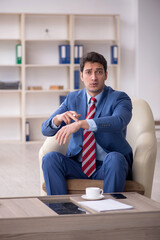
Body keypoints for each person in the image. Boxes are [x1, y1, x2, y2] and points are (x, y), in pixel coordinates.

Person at [41, 51, 133, 195]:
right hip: (77, 165)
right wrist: (58, 118)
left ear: (106, 75)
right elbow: (45, 130)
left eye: (99, 72)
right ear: (82, 76)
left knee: (115, 158)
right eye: (89, 72)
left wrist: (83, 123)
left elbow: (119, 121)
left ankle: (110, 212)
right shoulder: (73, 98)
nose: (94, 77)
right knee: (50, 158)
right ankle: (61, 210)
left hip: (107, 165)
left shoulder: (119, 98)